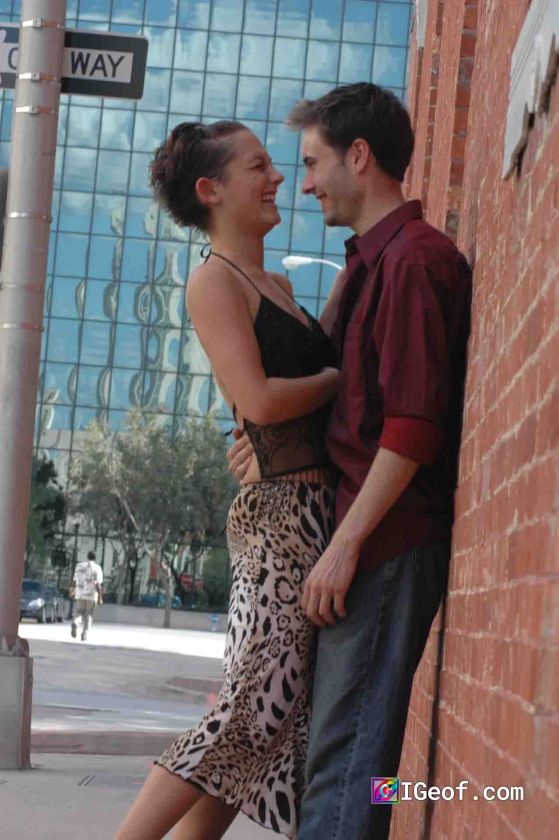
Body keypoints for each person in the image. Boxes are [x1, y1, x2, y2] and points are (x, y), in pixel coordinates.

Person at [228, 83, 472, 840]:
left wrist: (344, 547)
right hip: (365, 540)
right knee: (337, 760)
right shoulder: (373, 263)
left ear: (358, 156)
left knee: (348, 764)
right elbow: (352, 404)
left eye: (311, 162)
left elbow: (411, 427)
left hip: (385, 544)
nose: (303, 184)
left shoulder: (414, 262)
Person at [116, 121, 339, 840]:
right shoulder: (213, 282)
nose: (277, 178)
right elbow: (260, 402)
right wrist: (343, 381)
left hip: (312, 512)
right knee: (247, 715)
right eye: (258, 167)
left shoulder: (277, 286)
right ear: (210, 190)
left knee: (266, 732)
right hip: (277, 521)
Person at [70, 550, 103, 642]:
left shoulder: (79, 566)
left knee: (79, 612)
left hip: (80, 594)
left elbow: (74, 580)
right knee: (88, 615)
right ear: (95, 558)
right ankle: (84, 635)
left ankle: (76, 622)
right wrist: (100, 597)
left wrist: (72, 591)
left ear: (87, 556)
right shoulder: (97, 568)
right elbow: (98, 584)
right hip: (91, 596)